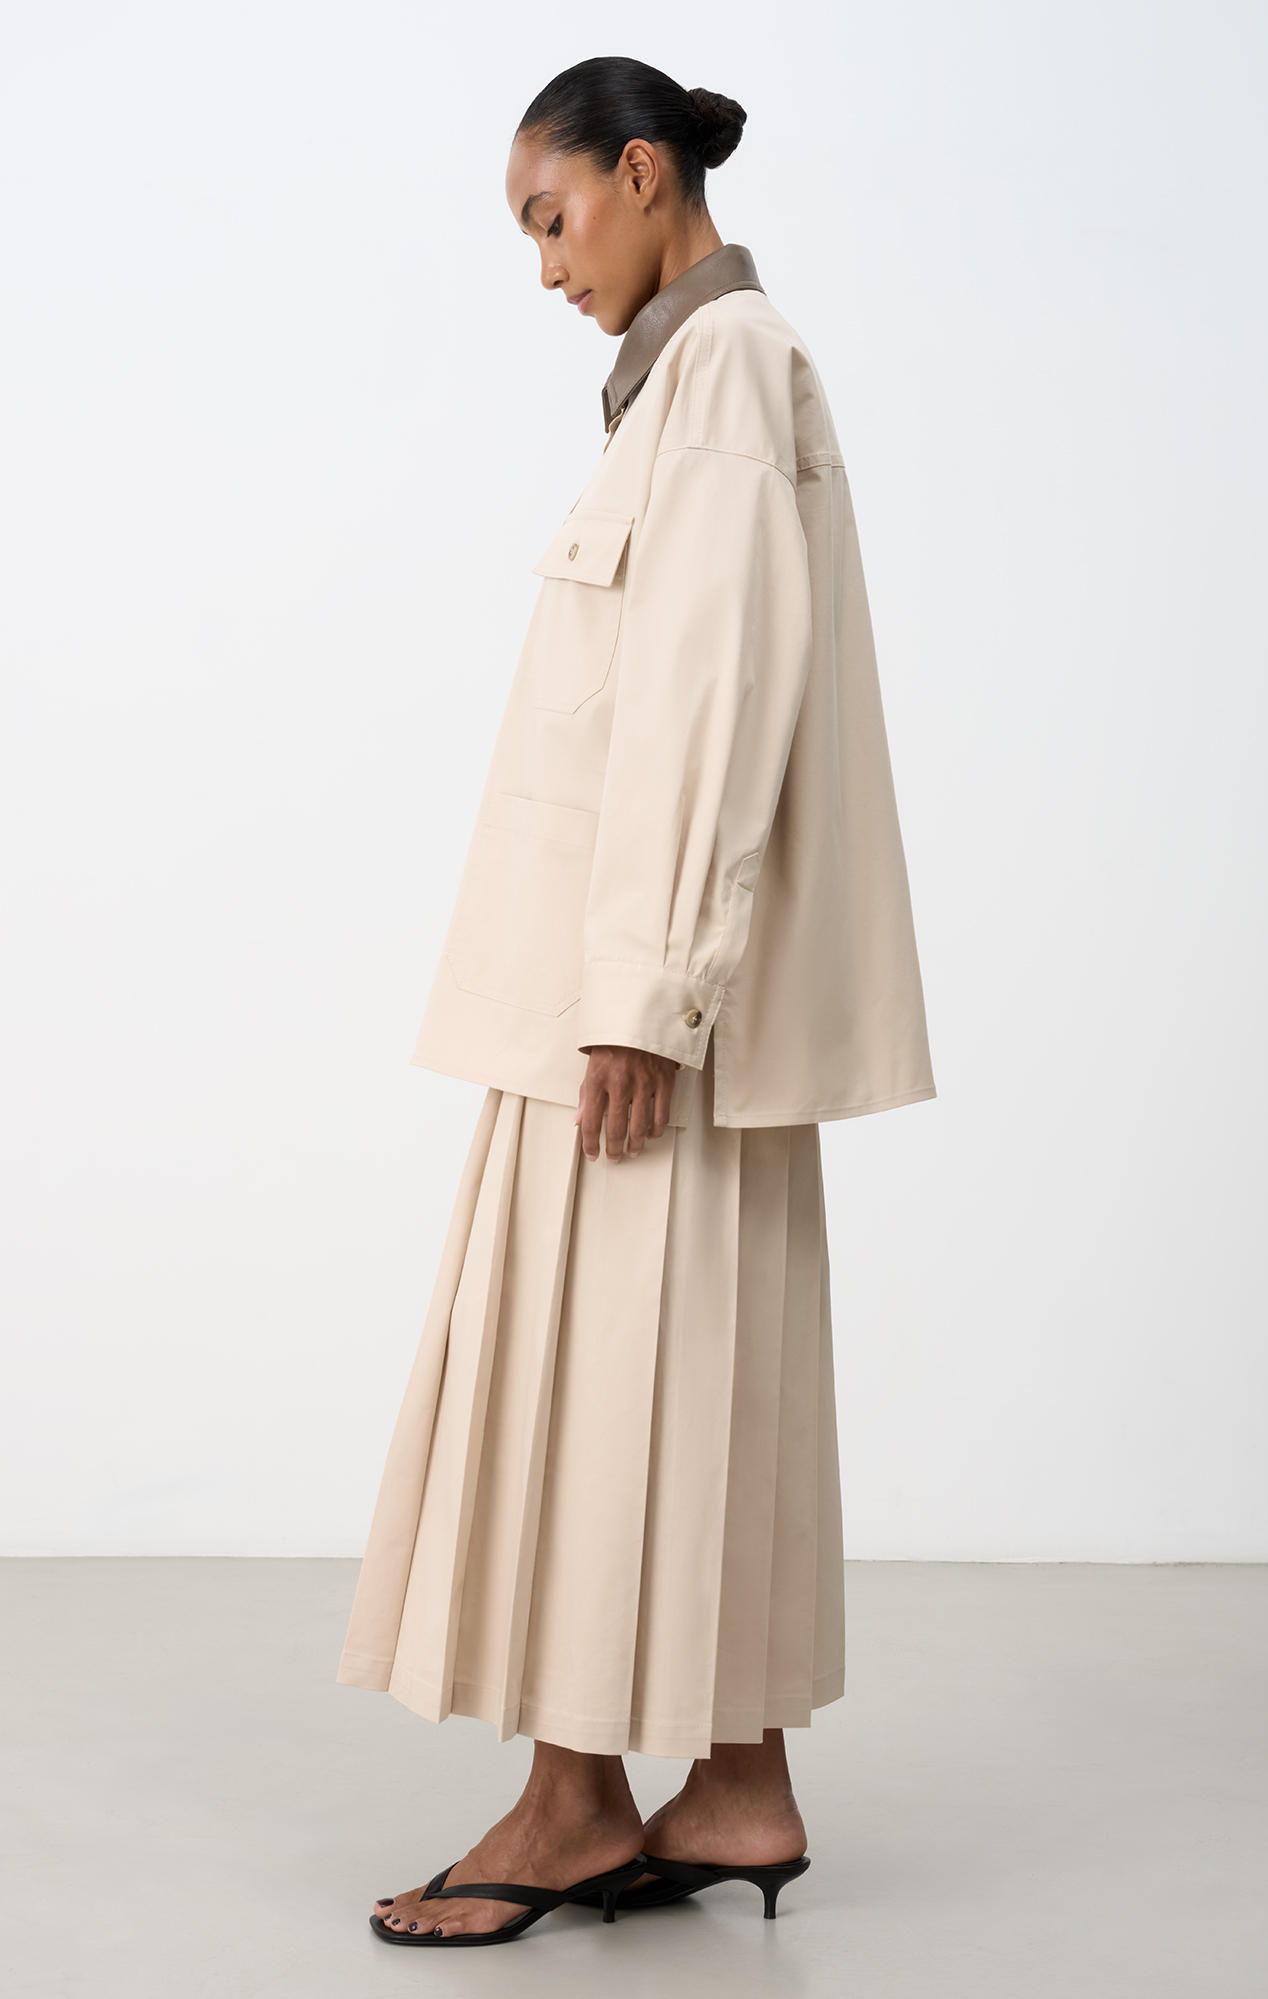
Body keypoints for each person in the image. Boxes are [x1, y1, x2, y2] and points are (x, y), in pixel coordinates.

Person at [338, 55, 934, 1948]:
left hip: (631, 1006)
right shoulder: (693, 382)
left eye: (553, 216)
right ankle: (737, 1785)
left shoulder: (726, 372)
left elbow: (708, 696)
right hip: (651, 991)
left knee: (604, 1387)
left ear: (643, 173)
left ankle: (573, 1805)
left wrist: (644, 996)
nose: (545, 266)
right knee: (689, 1379)